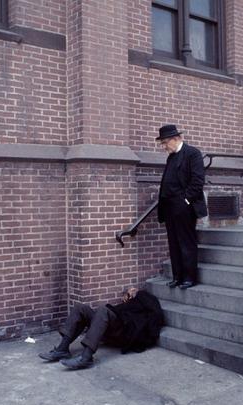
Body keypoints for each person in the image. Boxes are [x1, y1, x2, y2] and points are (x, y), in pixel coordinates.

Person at [38, 288, 164, 370]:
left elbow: (153, 319)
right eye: (130, 291)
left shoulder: (147, 301)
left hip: (124, 331)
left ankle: (86, 357)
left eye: (133, 291)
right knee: (80, 308)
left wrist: (139, 293)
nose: (130, 292)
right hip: (110, 326)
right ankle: (62, 349)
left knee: (103, 310)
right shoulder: (129, 302)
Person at [156, 124, 208, 290]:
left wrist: (185, 201)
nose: (164, 147)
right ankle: (177, 276)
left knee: (186, 242)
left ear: (176, 138)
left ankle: (189, 278)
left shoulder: (192, 153)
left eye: (165, 142)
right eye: (162, 143)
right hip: (169, 206)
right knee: (173, 243)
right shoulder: (171, 157)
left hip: (184, 206)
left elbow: (197, 181)